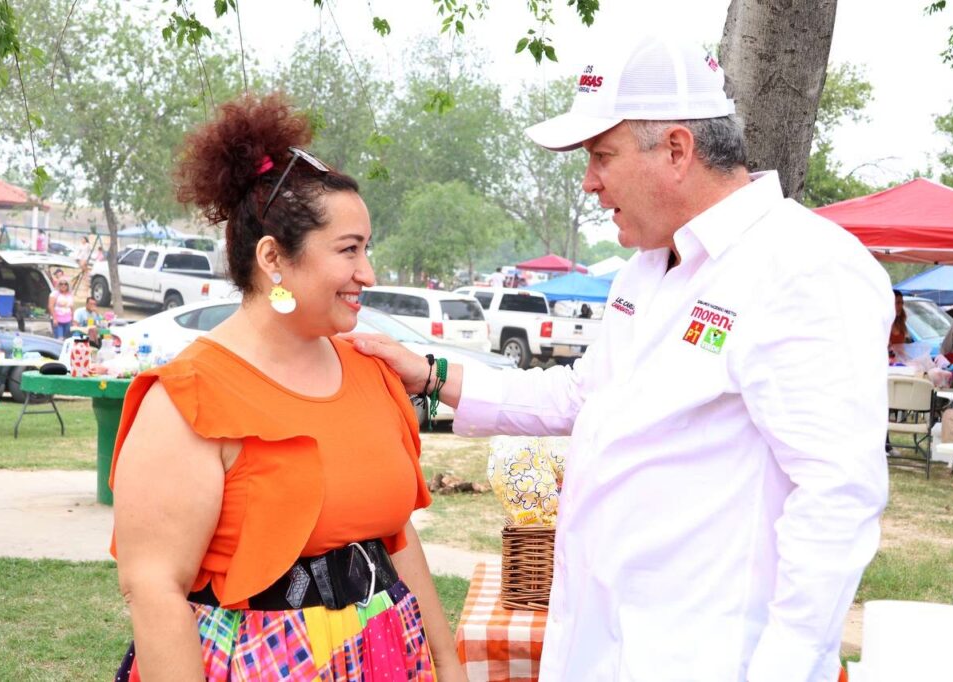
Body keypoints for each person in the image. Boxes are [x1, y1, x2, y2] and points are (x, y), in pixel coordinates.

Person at [351, 34, 892, 682]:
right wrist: (437, 376)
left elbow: (837, 494)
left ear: (676, 150)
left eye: (601, 156)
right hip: (602, 645)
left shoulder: (802, 266)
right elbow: (588, 396)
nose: (588, 183)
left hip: (709, 658)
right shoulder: (645, 270)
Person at [109, 93, 462, 681]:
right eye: (348, 250)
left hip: (388, 657)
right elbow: (154, 590)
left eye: (366, 249)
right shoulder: (189, 397)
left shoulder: (371, 370)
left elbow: (395, 541)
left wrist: (448, 664)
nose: (367, 274)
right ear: (273, 258)